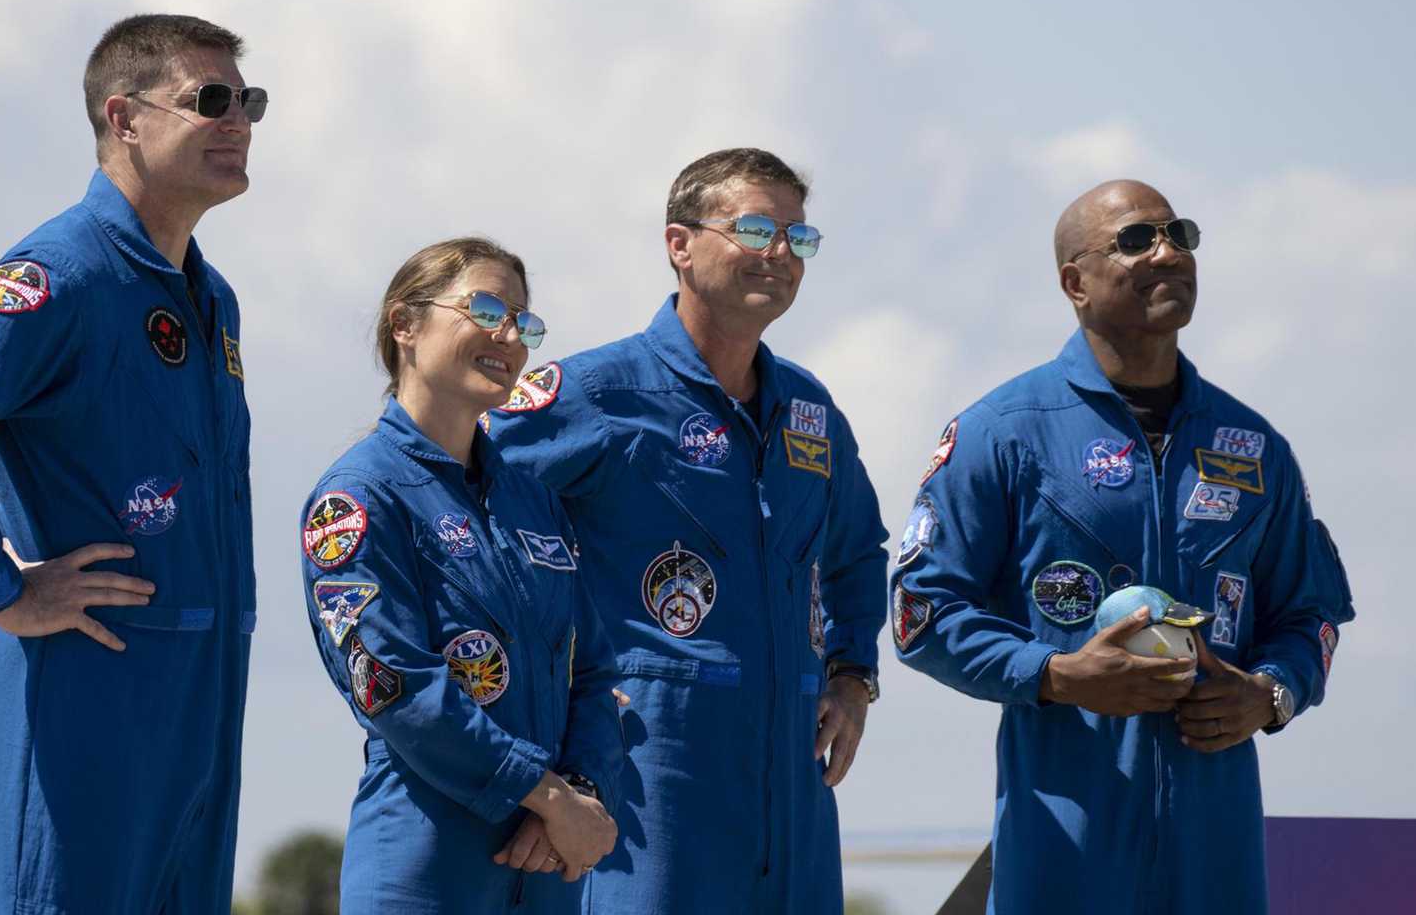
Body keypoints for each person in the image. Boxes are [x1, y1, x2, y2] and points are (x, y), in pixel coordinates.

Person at [0, 14, 265, 913]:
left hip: (194, 719)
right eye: (209, 100)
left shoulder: (207, 297)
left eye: (248, 100)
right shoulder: (57, 278)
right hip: (75, 708)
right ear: (124, 118)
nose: (238, 121)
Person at [893, 179, 1354, 913]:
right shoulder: (1003, 432)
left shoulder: (1254, 446)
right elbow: (921, 612)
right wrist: (1054, 672)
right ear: (1075, 282)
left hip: (1217, 859)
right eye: (1137, 239)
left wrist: (1269, 695)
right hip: (1064, 851)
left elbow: (1313, 616)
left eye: (1180, 234)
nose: (1168, 251)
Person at [486, 148, 889, 912]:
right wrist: (535, 748)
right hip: (646, 775)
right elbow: (465, 517)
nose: (780, 254)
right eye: (757, 229)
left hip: (792, 784)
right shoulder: (594, 394)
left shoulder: (810, 409)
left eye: (798, 238)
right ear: (680, 244)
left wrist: (852, 676)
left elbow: (859, 550)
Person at [301, 238, 624, 913]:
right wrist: (546, 793)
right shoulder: (360, 499)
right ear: (405, 325)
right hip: (426, 862)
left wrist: (580, 790)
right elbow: (395, 687)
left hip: (547, 860)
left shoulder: (533, 498)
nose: (509, 335)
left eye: (524, 323)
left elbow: (591, 669)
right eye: (485, 308)